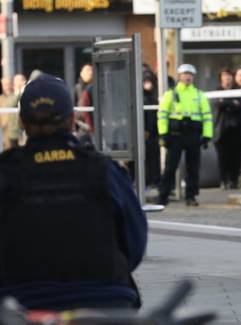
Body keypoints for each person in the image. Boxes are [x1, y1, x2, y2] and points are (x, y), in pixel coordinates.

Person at [0, 74, 147, 310]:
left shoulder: (6, 173)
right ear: (72, 119)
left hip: (22, 308)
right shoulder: (103, 170)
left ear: (22, 122)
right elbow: (135, 244)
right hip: (105, 304)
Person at [157, 63, 213, 206]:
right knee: (170, 166)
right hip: (175, 135)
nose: (187, 77)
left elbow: (207, 116)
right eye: (184, 74)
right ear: (179, 76)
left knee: (193, 167)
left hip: (193, 135)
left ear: (193, 77)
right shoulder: (171, 93)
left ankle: (191, 196)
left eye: (190, 74)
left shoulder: (199, 95)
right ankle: (163, 195)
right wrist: (163, 134)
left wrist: (207, 136)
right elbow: (162, 115)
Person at [214, 67, 241, 189]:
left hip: (236, 128)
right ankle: (223, 180)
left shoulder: (238, 90)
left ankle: (234, 180)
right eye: (224, 76)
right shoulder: (217, 91)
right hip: (221, 129)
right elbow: (218, 104)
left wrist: (225, 103)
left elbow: (240, 105)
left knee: (235, 156)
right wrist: (231, 103)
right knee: (222, 157)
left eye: (229, 75)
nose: (227, 78)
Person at [143, 71, 160, 187]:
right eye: (146, 82)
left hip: (154, 131)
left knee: (154, 157)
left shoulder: (156, 95)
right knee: (145, 157)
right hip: (143, 131)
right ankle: (147, 179)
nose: (148, 85)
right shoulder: (140, 96)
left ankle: (155, 179)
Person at [0, 77, 18, 150]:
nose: (7, 86)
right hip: (3, 130)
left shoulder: (16, 96)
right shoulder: (0, 98)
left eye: (8, 84)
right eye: (4, 85)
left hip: (14, 130)